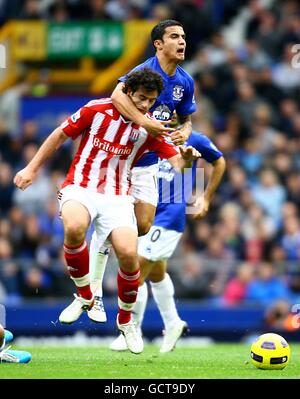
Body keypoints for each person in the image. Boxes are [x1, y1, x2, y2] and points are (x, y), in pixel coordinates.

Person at [14, 69, 201, 354]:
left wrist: (187, 160)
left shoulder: (148, 128)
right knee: (75, 228)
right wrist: (31, 168)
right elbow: (59, 135)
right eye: (141, 98)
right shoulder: (96, 109)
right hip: (81, 185)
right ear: (127, 92)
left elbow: (177, 164)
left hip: (118, 195)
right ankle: (86, 295)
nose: (144, 106)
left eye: (150, 101)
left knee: (128, 254)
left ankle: (126, 322)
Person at [87, 19, 197, 322]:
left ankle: (105, 242)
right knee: (118, 222)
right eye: (174, 36)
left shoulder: (185, 82)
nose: (182, 41)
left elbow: (186, 118)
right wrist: (145, 121)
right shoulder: (143, 72)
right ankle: (93, 287)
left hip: (149, 160)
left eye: (184, 36)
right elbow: (116, 95)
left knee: (144, 226)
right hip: (122, 157)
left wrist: (184, 132)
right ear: (158, 44)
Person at [110, 117, 226, 352]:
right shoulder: (147, 134)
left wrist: (206, 197)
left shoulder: (195, 139)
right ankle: (173, 323)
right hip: (146, 210)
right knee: (157, 273)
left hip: (170, 214)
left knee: (136, 270)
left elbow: (219, 161)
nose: (168, 112)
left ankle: (130, 329)